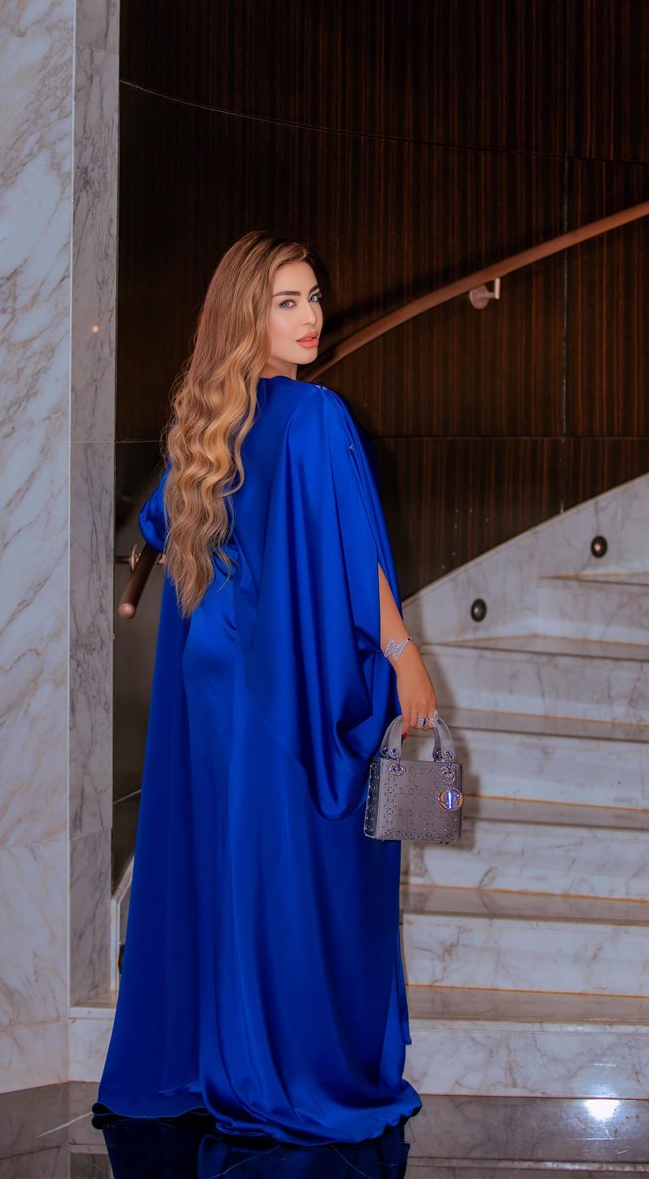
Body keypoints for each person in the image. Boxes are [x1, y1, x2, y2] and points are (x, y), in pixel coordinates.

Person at [93, 230, 441, 1147]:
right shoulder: (314, 414)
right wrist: (402, 653)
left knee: (231, 859)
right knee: (292, 869)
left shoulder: (210, 421)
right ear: (247, 314)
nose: (311, 316)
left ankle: (222, 1056)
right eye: (288, 302)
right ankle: (275, 1070)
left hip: (214, 672)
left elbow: (163, 525)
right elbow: (354, 552)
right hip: (278, 679)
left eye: (314, 297)